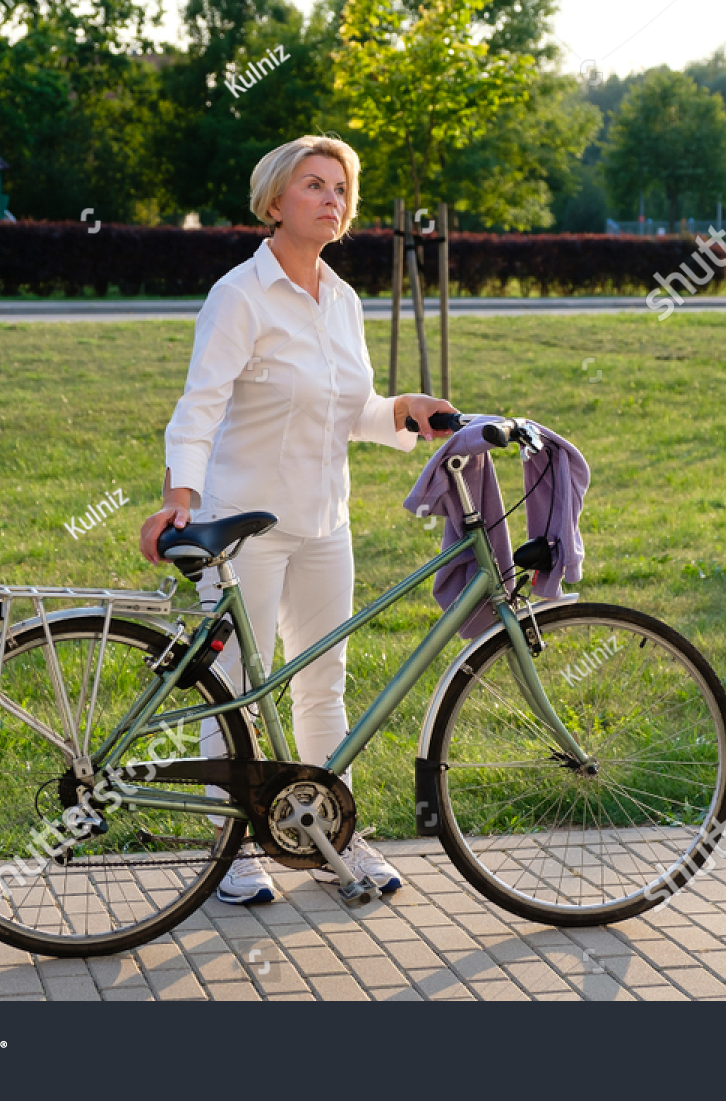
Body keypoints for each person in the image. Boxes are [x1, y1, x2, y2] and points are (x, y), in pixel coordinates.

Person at [139, 136, 457, 904]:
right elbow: (202, 402)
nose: (332, 199)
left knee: (323, 682)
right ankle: (233, 846)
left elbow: (350, 411)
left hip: (324, 522)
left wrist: (404, 412)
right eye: (314, 185)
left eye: (341, 188)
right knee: (237, 688)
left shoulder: (342, 300)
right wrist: (181, 495)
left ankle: (328, 831)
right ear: (275, 201)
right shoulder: (240, 295)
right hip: (244, 522)